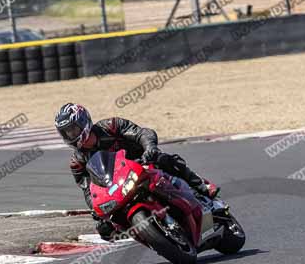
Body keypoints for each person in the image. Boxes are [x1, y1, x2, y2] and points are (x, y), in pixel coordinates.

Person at [54, 103, 219, 241]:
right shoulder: (77, 162)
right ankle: (152, 236)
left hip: (143, 162)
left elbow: (142, 133)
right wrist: (97, 215)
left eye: (73, 130)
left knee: (166, 160)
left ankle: (201, 186)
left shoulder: (111, 126)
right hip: (117, 185)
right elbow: (89, 191)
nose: (71, 135)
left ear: (84, 122)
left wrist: (150, 148)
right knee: (106, 229)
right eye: (66, 133)